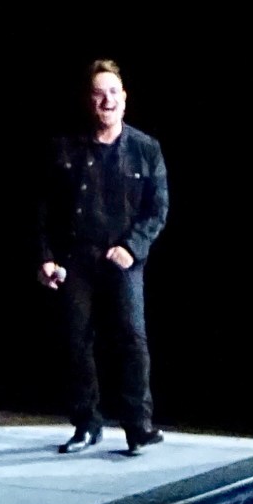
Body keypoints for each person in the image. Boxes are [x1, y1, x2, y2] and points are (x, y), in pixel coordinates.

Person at [37, 59, 169, 455]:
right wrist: (45, 257)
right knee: (76, 342)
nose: (106, 100)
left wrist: (132, 247)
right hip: (77, 258)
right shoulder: (65, 148)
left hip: (124, 258)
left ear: (125, 100)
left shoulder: (146, 149)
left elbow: (158, 208)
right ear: (89, 100)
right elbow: (44, 209)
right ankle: (86, 424)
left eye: (113, 92)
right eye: (99, 92)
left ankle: (138, 426)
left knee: (131, 338)